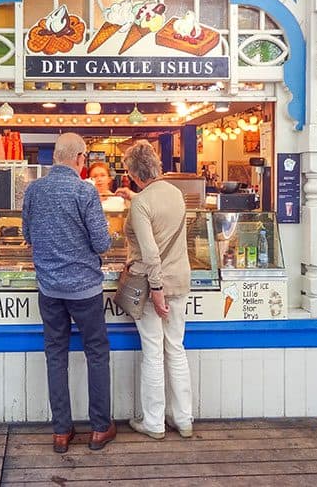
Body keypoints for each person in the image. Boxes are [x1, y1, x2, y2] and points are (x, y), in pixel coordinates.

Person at [21, 132, 116, 453]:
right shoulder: (84, 192)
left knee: (55, 355)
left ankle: (61, 431)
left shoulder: (34, 189)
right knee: (97, 353)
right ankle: (100, 428)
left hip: (49, 289)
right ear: (79, 159)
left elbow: (27, 234)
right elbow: (102, 242)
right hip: (85, 289)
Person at [117, 140, 193, 440]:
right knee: (175, 348)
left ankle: (154, 423)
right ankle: (184, 419)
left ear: (134, 173)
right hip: (181, 280)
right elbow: (158, 213)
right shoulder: (175, 193)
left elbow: (150, 254)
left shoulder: (141, 203)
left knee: (153, 352)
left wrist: (157, 291)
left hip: (153, 287)